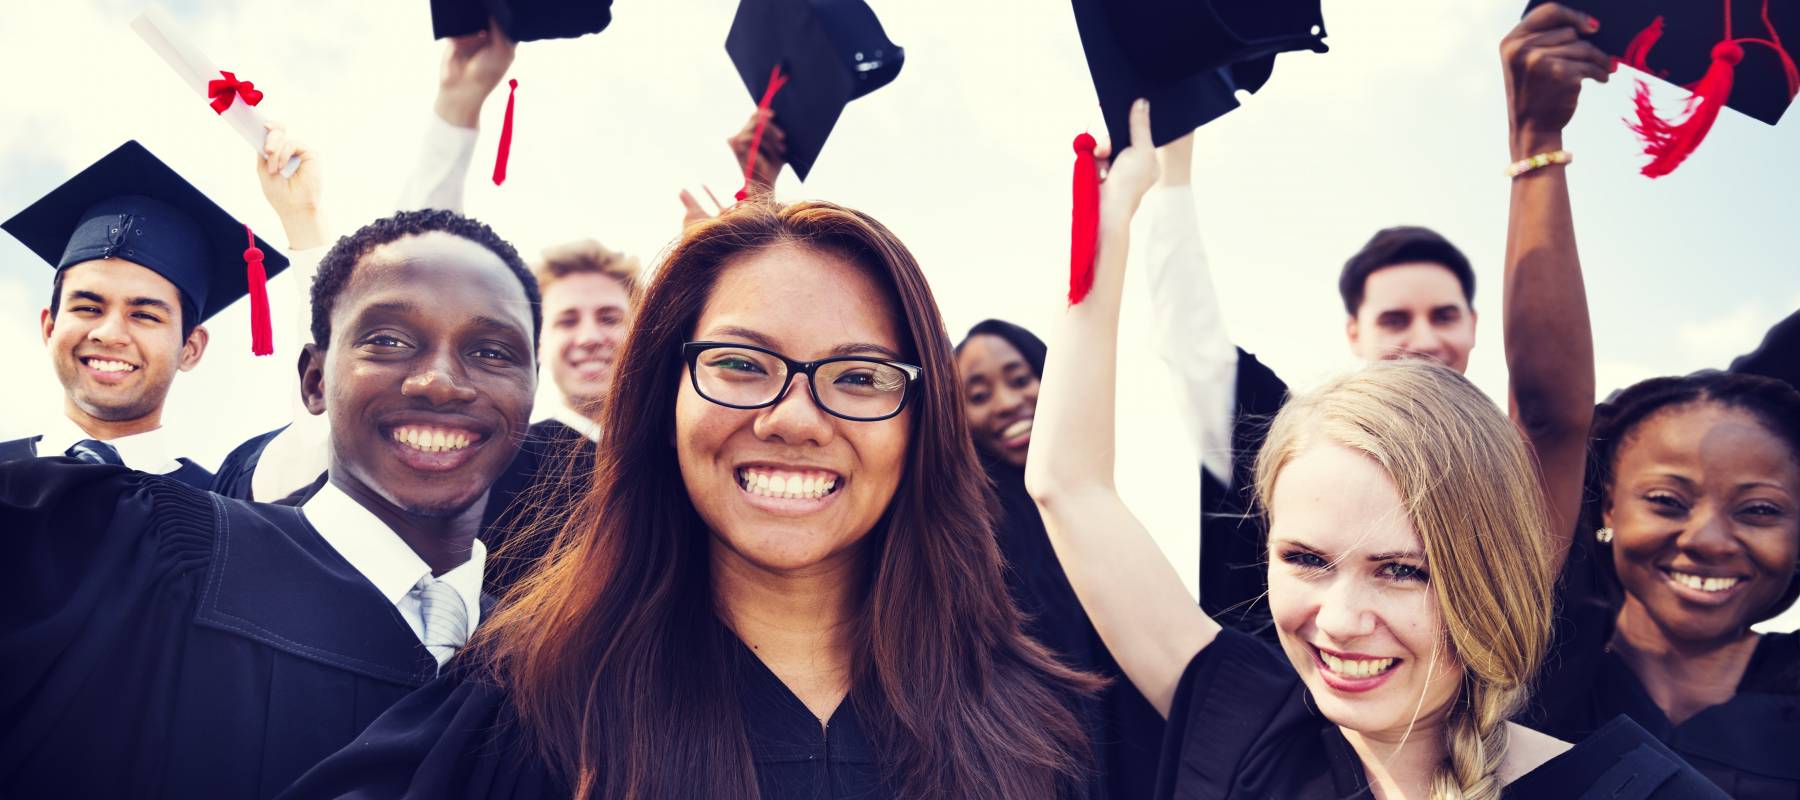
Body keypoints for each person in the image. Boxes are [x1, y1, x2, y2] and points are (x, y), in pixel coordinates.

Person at [282, 199, 1099, 800]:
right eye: (742, 364)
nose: (794, 419)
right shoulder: (530, 709)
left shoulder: (1041, 730)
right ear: (662, 395)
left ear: (922, 424)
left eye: (858, 377)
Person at [1026, 95, 1724, 798]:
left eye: (1402, 571)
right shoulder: (1251, 729)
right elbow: (1069, 484)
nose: (1339, 621)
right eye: (1304, 559)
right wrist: (1115, 216)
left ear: (1497, 571)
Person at [0, 204, 540, 798]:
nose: (440, 381)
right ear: (313, 382)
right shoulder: (155, 555)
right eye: (387, 339)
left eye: (492, 351)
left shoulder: (556, 663)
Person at [1152, 4, 1599, 634]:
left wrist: (1537, 142)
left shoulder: (1507, 478)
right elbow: (1191, 346)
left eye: (1443, 315)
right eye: (1395, 319)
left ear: (1475, 326)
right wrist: (1169, 158)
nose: (1423, 340)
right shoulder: (1289, 444)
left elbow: (1551, 415)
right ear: (1354, 334)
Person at [1525, 371, 1800, 797]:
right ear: (1609, 507)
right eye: (1666, 501)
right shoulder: (1530, 683)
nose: (1707, 541)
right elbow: (1549, 416)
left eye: (1759, 510)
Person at [0, 141, 293, 489]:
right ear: (49, 327)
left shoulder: (224, 516)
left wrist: (303, 216)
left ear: (191, 348)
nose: (109, 333)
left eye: (144, 315)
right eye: (88, 308)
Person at [955, 319, 1165, 800]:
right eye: (979, 394)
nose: (1007, 402)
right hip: (1039, 759)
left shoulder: (1098, 506)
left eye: (1020, 377)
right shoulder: (971, 535)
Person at [480, 239, 640, 594]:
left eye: (610, 318)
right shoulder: (502, 463)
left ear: (642, 332)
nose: (589, 337)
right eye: (567, 321)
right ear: (538, 344)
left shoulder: (684, 458)